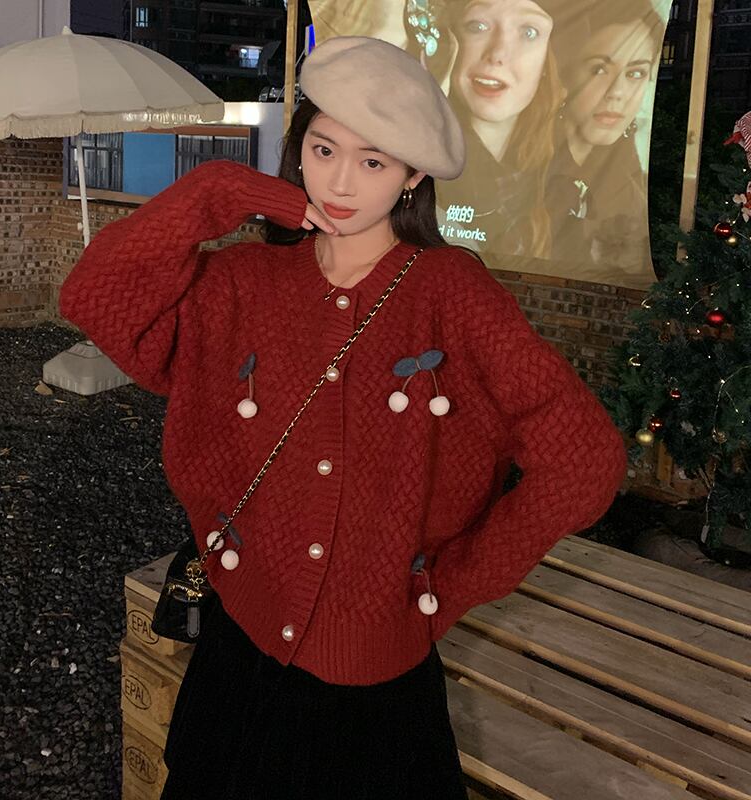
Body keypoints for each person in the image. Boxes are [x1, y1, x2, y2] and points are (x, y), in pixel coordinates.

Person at [59, 36, 627, 799]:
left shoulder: (453, 296)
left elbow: (585, 461)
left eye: (374, 161)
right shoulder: (246, 280)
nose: (340, 182)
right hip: (238, 659)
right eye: (323, 149)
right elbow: (93, 298)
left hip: (375, 701)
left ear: (413, 175)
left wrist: (450, 586)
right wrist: (218, 190)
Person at [417, 0, 568, 259]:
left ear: (548, 60)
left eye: (529, 32)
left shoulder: (558, 175)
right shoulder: (416, 160)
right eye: (478, 26)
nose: (498, 54)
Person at [547, 1, 665, 281]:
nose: (617, 92)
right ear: (566, 72)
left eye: (636, 73)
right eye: (599, 69)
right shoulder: (523, 159)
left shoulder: (634, 187)